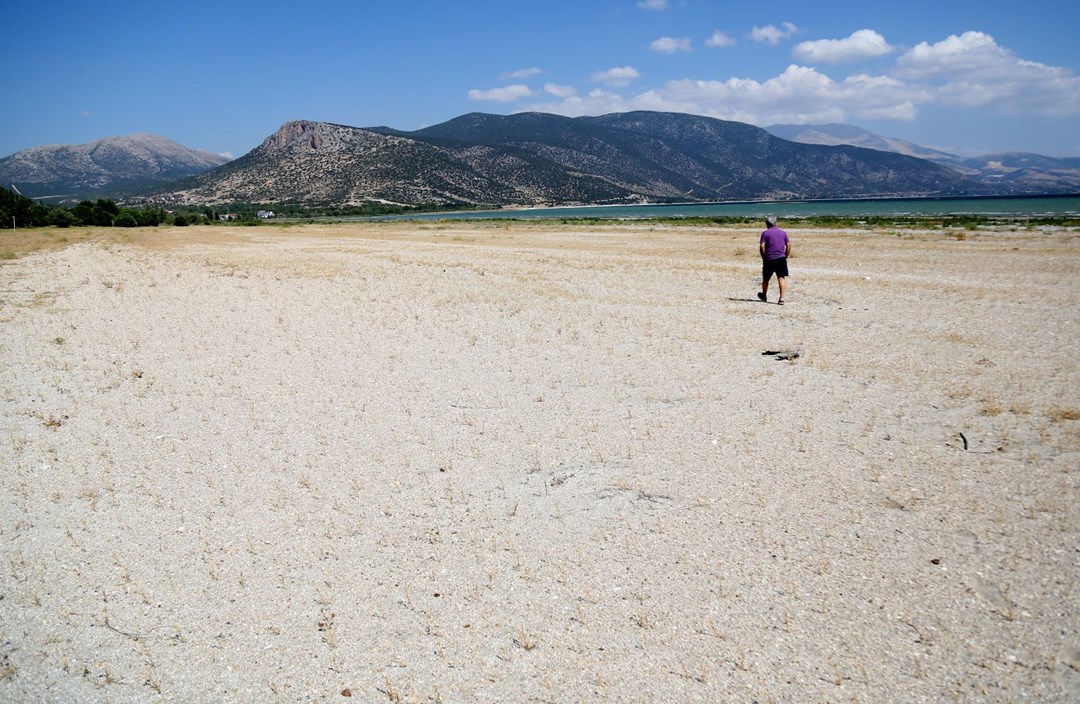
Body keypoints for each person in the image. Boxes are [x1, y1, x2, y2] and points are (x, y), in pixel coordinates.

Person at [758, 215, 790, 305]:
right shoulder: (783, 233)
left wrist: (763, 256)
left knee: (766, 279)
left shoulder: (765, 233)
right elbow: (788, 244)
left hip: (769, 258)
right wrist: (786, 255)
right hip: (781, 258)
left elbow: (762, 246)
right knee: (781, 277)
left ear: (767, 223)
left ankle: (764, 295)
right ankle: (781, 298)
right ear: (775, 223)